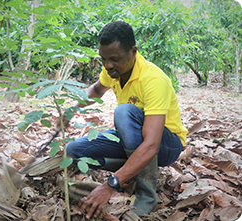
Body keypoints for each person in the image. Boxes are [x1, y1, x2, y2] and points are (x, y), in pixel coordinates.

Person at [63, 20, 188, 219]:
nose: (108, 65)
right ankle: (129, 168)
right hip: (133, 137)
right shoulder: (112, 70)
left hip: (166, 144)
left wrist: (110, 185)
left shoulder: (153, 80)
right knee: (74, 150)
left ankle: (147, 195)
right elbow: (96, 90)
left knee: (124, 112)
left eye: (115, 59)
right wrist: (70, 111)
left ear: (133, 51)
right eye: (103, 59)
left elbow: (151, 145)